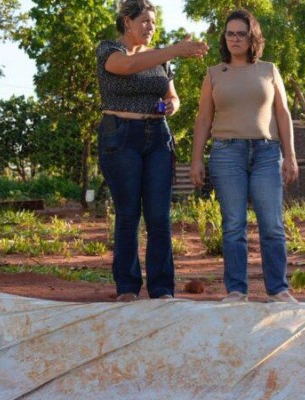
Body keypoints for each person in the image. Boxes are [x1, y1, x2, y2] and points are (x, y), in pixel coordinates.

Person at [97, 0, 208, 302]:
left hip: (158, 137)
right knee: (128, 214)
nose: (151, 27)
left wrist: (172, 105)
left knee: (159, 215)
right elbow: (128, 66)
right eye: (145, 21)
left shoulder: (160, 58)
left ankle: (161, 289)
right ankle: (128, 287)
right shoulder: (109, 50)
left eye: (154, 22)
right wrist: (176, 49)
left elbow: (173, 96)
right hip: (121, 138)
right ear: (127, 21)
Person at [190, 9, 299, 303]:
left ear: (253, 38)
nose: (235, 39)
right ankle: (237, 290)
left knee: (272, 224)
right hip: (226, 154)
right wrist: (196, 159)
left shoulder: (269, 70)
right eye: (230, 34)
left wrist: (290, 155)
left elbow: (283, 114)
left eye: (241, 33)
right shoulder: (214, 73)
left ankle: (278, 289)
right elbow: (203, 119)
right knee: (234, 224)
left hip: (266, 153)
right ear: (224, 38)